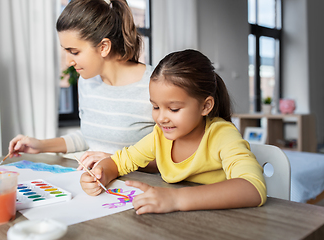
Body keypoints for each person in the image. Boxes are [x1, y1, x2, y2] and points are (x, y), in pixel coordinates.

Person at [80, 49, 267, 214]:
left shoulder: (222, 134)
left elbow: (252, 188)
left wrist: (176, 199)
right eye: (155, 107)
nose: (161, 118)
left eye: (174, 109)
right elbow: (118, 162)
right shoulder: (159, 136)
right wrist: (100, 174)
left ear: (205, 106)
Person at [8, 0, 157, 172]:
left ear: (103, 47)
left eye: (74, 52)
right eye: (66, 51)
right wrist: (41, 145)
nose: (68, 61)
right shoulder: (87, 82)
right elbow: (91, 137)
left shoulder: (154, 84)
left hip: (138, 192)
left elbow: (175, 159)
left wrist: (116, 162)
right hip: (95, 186)